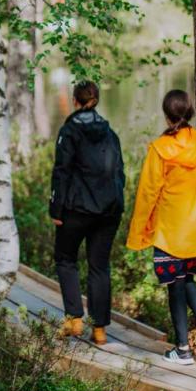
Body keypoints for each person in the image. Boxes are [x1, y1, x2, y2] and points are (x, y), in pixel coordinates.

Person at [126, 89, 196, 364]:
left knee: (174, 285)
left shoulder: (160, 148)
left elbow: (148, 192)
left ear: (167, 116)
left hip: (170, 230)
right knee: (187, 279)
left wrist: (140, 230)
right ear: (188, 112)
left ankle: (182, 349)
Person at [50, 80, 125, 345]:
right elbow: (120, 173)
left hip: (76, 209)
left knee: (65, 258)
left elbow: (61, 172)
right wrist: (117, 205)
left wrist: (55, 209)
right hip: (108, 210)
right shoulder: (110, 133)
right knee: (99, 266)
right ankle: (100, 330)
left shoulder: (69, 131)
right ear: (96, 101)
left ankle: (74, 320)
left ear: (75, 100)